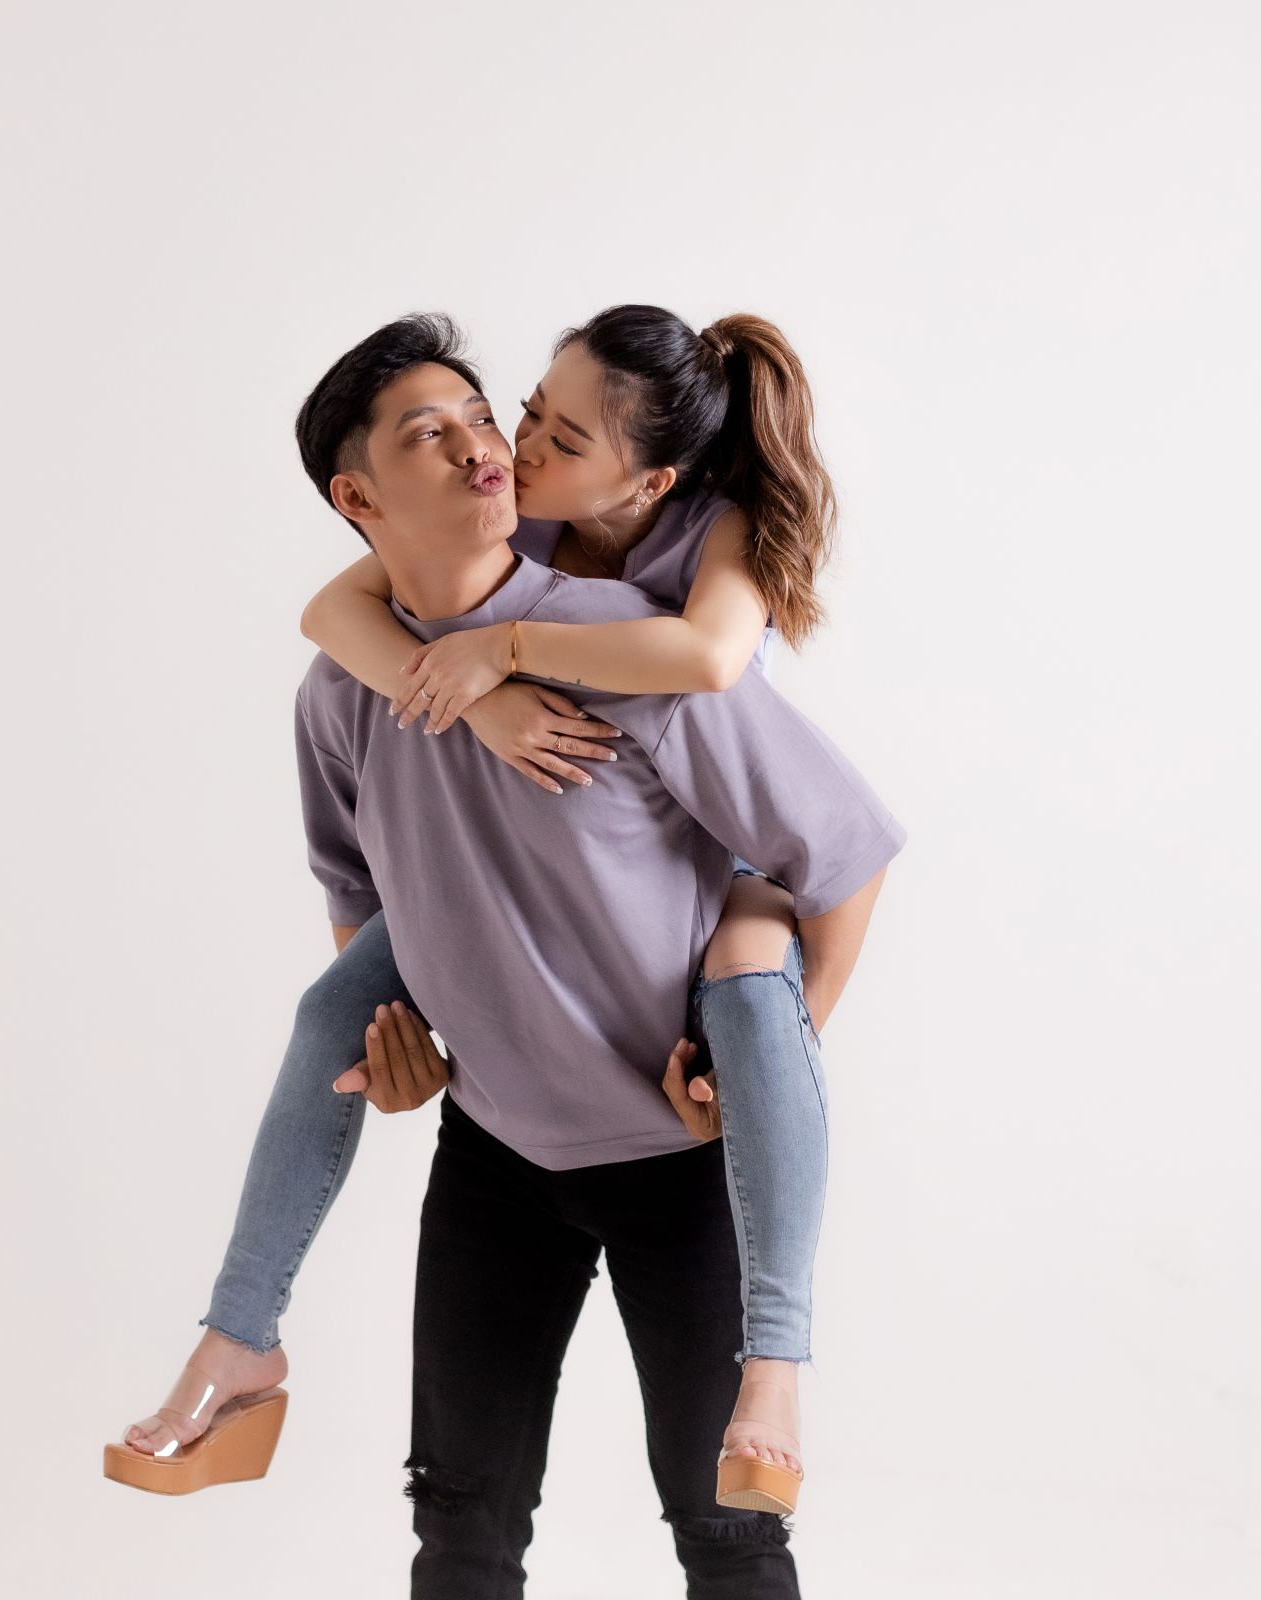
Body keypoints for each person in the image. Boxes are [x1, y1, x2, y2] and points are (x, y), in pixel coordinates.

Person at [108, 314, 893, 1545]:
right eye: (464, 426)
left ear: (643, 480)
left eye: (497, 422)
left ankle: (778, 1364)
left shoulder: (641, 640)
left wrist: (769, 1067)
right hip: (497, 1158)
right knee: (460, 1524)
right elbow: (360, 888)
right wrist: (408, 1048)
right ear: (358, 497)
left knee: (730, 1539)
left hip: (682, 1155)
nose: (495, 447)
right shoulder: (348, 687)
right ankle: (239, 1339)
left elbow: (839, 847)